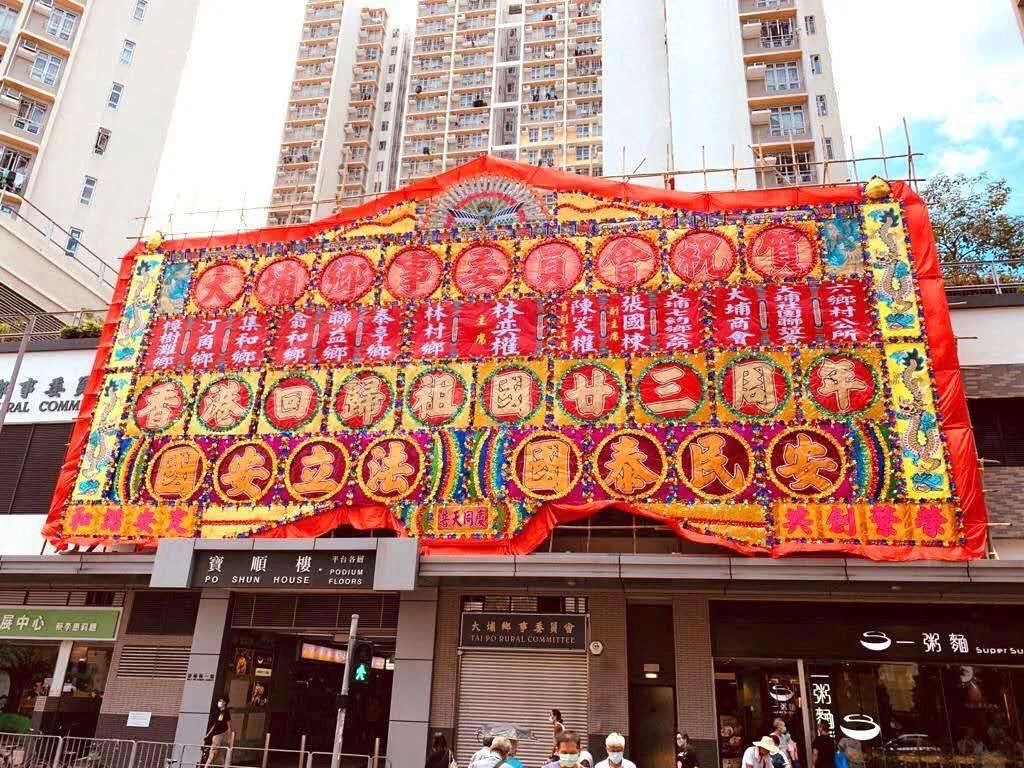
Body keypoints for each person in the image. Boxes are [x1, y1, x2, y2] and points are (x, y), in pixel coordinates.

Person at [203, 697, 232, 768]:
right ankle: (225, 766)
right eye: (219, 701)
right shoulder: (218, 712)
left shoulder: (226, 712)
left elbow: (229, 725)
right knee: (218, 751)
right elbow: (214, 724)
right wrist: (208, 734)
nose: (219, 702)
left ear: (224, 703)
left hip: (220, 734)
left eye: (221, 701)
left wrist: (229, 737)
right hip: (215, 733)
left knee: (212, 751)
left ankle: (206, 766)